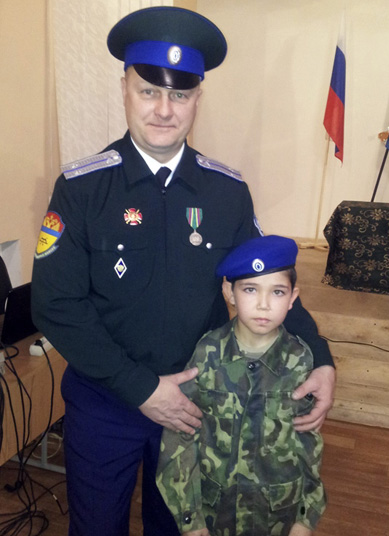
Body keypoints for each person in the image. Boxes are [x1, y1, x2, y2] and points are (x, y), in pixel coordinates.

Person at [31, 6, 334, 536]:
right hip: (105, 404)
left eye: (180, 94)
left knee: (181, 527)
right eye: (148, 90)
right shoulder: (81, 189)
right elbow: (56, 305)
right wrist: (143, 388)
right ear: (124, 89)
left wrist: (321, 358)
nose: (164, 110)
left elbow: (270, 283)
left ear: (198, 99)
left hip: (200, 403)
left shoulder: (227, 193)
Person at [156, 235, 326, 536]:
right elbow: (180, 436)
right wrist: (189, 519)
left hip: (277, 515)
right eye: (250, 289)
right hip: (215, 513)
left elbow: (308, 444)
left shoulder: (301, 361)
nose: (263, 304)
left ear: (292, 298)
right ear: (229, 293)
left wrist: (305, 517)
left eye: (277, 291)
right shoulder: (207, 354)